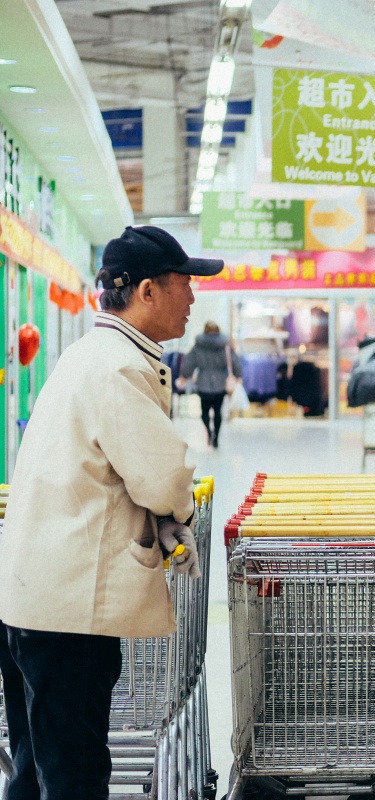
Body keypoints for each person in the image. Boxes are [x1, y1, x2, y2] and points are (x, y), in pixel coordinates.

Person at [0, 225, 211, 799]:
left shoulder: (86, 355)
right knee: (73, 774)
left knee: (34, 766)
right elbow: (163, 477)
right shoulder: (118, 366)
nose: (193, 298)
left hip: (32, 597)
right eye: (184, 284)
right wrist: (178, 517)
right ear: (147, 291)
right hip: (68, 612)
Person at [181, 320, 243, 448]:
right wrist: (238, 375)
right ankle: (216, 437)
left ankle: (209, 433)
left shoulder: (198, 345)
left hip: (203, 383)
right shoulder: (225, 345)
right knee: (218, 412)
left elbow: (189, 362)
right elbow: (235, 361)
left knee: (204, 412)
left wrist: (185, 375)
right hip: (220, 383)